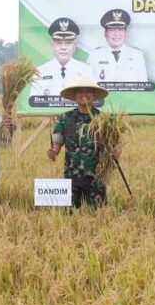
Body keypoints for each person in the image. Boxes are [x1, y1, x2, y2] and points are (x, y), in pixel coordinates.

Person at [47, 77, 119, 208]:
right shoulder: (65, 118)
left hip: (96, 178)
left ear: (94, 95)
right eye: (80, 91)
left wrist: (116, 151)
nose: (84, 94)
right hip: (71, 179)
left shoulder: (104, 120)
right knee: (68, 215)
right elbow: (56, 146)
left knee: (99, 215)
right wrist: (52, 152)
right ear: (75, 95)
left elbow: (115, 144)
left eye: (88, 91)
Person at [34, 17, 93, 96]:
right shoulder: (39, 72)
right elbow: (32, 101)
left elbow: (93, 99)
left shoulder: (86, 71)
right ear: (52, 45)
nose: (63, 47)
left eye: (68, 43)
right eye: (59, 43)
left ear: (75, 45)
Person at [86, 8, 148, 83]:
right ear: (105, 33)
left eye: (120, 30)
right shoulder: (95, 55)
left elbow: (143, 85)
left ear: (125, 33)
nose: (116, 34)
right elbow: (87, 84)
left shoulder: (137, 55)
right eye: (112, 30)